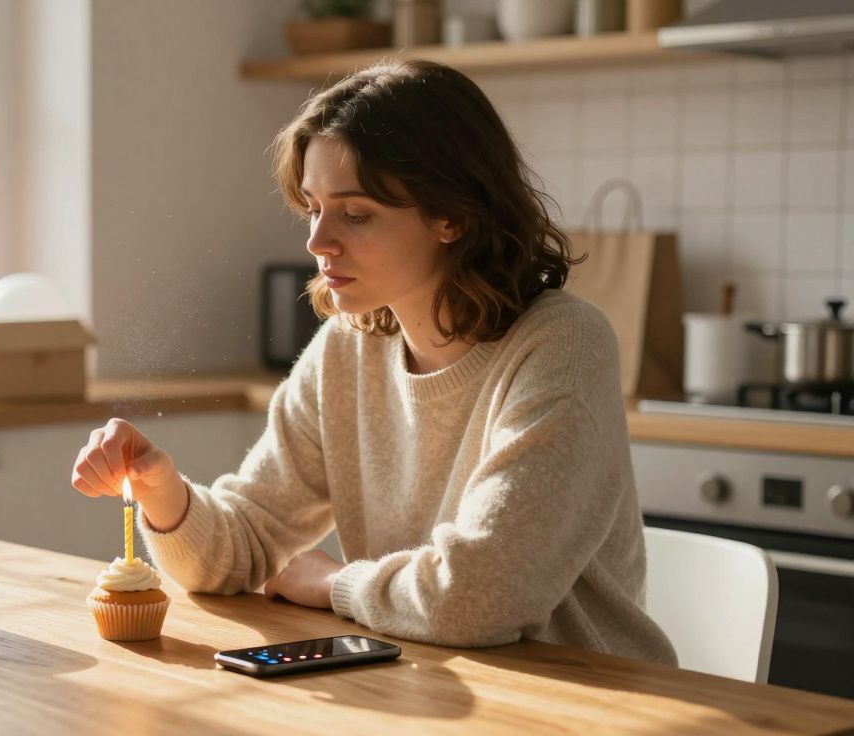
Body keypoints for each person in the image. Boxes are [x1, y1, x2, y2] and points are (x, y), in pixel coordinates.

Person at [70, 59, 676, 665]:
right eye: (313, 207)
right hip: (430, 683)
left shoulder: (563, 346)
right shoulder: (348, 347)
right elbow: (241, 547)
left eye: (356, 214)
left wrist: (332, 584)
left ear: (453, 217)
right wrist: (163, 490)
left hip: (587, 704)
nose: (317, 241)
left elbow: (480, 598)